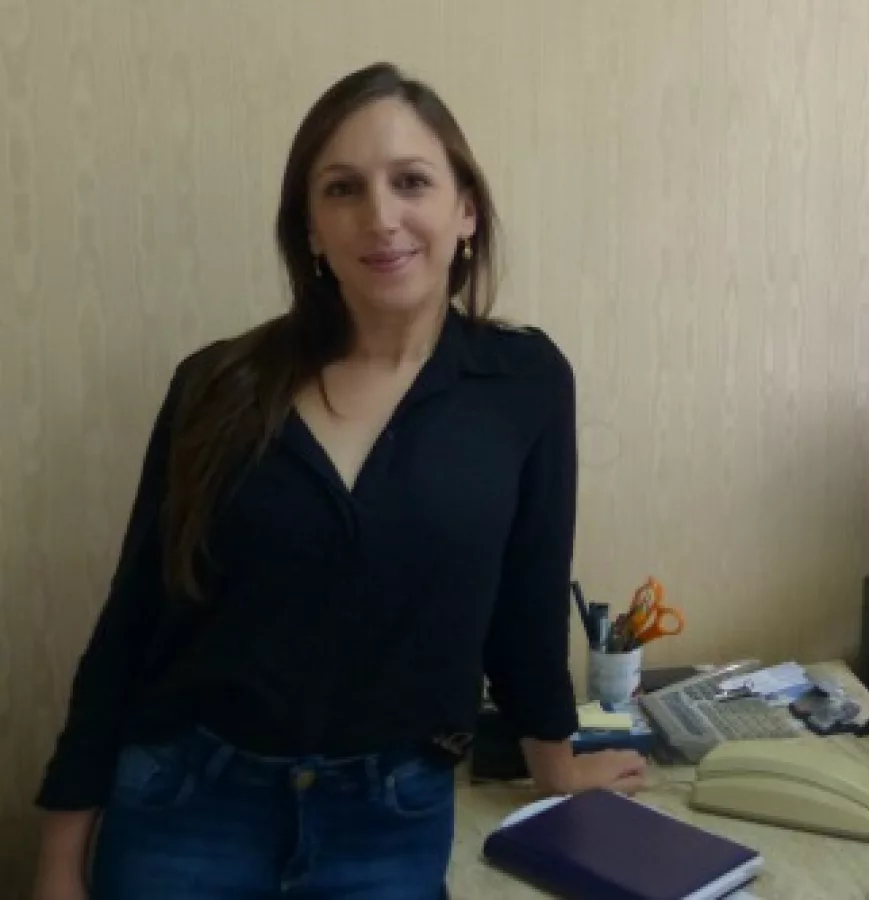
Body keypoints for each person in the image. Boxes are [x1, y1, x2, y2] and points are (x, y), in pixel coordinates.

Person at [31, 62, 646, 900]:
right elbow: (132, 625)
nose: (381, 217)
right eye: (343, 189)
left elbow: (527, 608)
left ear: (466, 210)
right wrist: (59, 860)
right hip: (186, 810)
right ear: (312, 230)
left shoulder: (524, 383)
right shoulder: (216, 385)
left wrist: (556, 768)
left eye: (411, 182)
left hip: (388, 820)